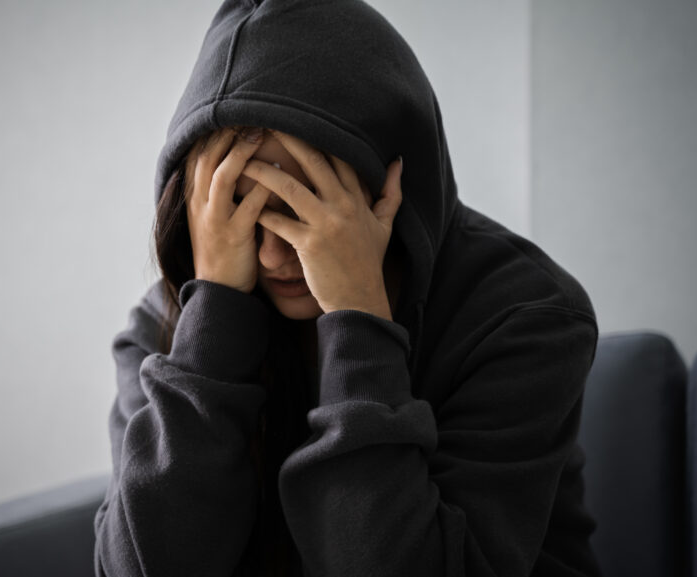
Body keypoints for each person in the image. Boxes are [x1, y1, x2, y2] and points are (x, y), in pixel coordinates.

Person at [94, 0, 602, 575]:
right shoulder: (164, 331)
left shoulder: (526, 316)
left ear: (393, 188)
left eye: (305, 206)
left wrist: (358, 322)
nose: (272, 254)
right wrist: (214, 326)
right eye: (239, 210)